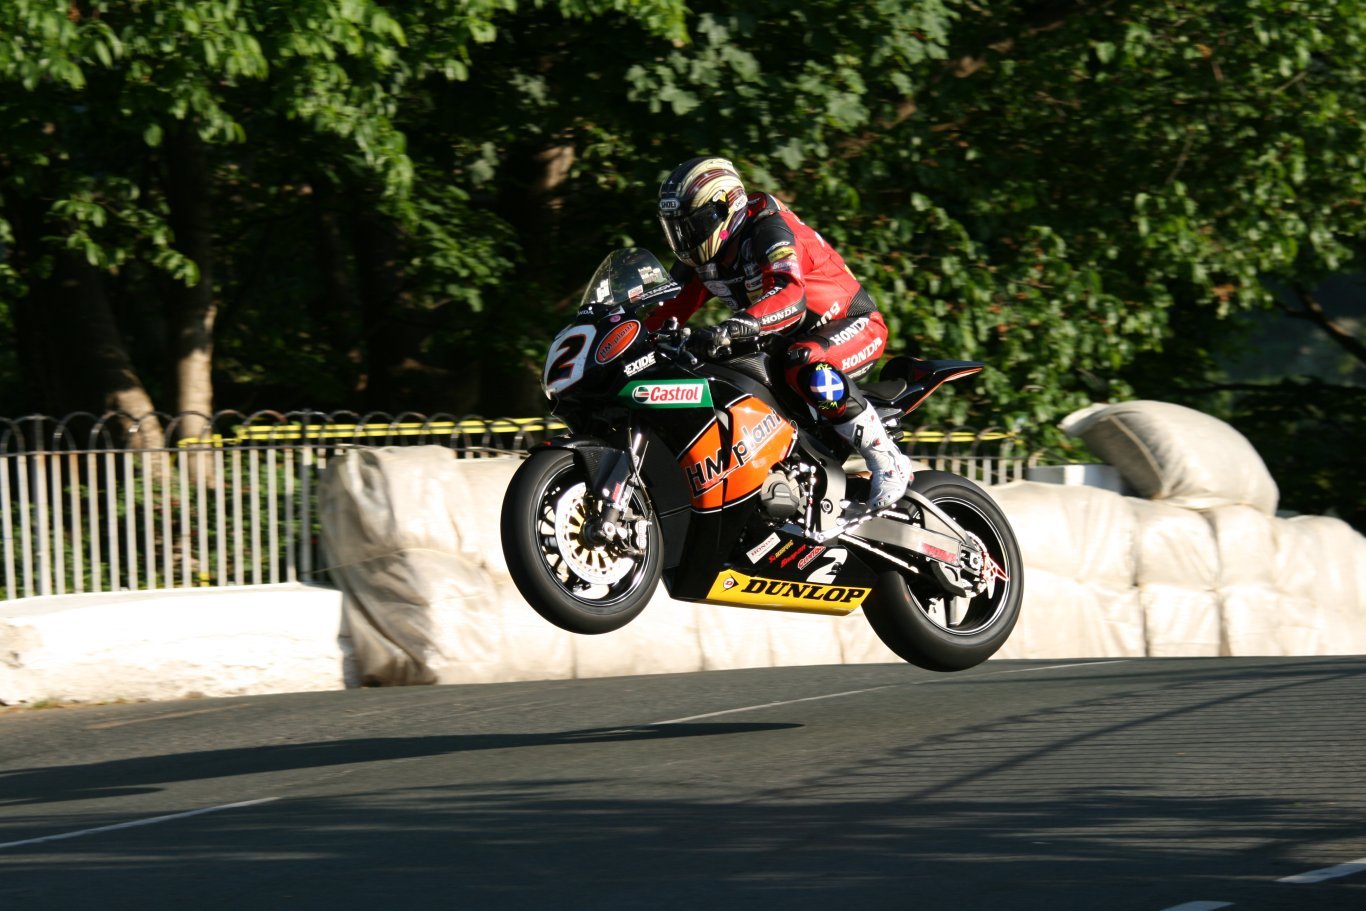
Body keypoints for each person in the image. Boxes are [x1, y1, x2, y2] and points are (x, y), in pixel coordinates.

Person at [646, 156, 913, 509]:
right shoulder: (702, 259)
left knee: (801, 360)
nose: (685, 238)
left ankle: (886, 458)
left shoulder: (767, 230)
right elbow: (664, 311)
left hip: (853, 324)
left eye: (692, 225)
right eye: (676, 229)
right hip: (784, 335)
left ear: (724, 208)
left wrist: (735, 326)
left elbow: (790, 294)